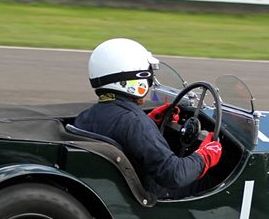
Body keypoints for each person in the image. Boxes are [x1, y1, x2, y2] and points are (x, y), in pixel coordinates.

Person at [74, 38, 223, 199]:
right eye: (147, 77)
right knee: (213, 180)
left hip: (111, 190)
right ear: (131, 80)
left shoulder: (84, 118)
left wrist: (150, 123)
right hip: (147, 194)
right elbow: (174, 174)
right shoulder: (134, 123)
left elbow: (118, 132)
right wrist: (204, 156)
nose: (150, 83)